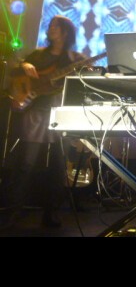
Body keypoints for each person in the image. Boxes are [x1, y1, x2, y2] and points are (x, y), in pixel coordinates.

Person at [1, 15, 85, 229]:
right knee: (26, 164)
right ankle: (13, 211)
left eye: (55, 26)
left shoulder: (74, 58)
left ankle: (51, 213)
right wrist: (25, 64)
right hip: (36, 112)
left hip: (59, 113)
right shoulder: (38, 54)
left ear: (65, 32)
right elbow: (15, 71)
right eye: (50, 25)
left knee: (59, 165)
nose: (50, 28)